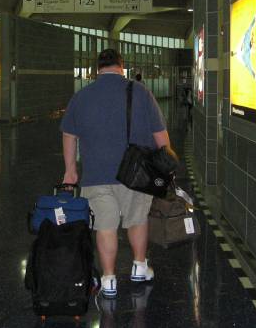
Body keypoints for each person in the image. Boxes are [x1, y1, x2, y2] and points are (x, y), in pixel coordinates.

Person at [60, 48, 176, 299]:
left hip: (95, 174)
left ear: (97, 69)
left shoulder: (81, 96)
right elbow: (160, 135)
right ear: (121, 67)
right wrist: (165, 163)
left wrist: (70, 170)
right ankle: (139, 266)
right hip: (136, 175)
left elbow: (69, 134)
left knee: (105, 226)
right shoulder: (140, 91)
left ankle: (109, 278)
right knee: (136, 220)